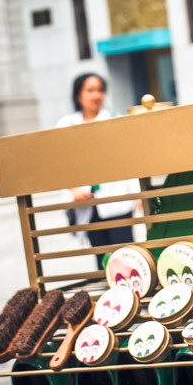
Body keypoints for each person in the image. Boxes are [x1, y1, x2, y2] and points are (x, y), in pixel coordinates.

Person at [56, 73, 140, 267]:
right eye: (90, 90)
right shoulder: (66, 125)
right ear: (79, 95)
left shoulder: (115, 120)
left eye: (100, 90)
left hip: (116, 198)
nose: (96, 95)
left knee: (126, 254)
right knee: (101, 259)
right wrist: (73, 190)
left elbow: (129, 159)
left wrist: (136, 194)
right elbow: (59, 164)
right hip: (87, 204)